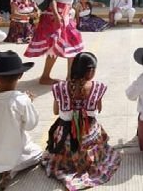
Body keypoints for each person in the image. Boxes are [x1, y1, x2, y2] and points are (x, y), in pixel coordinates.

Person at [42, 52, 121, 190]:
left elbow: (56, 112)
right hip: (87, 136)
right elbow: (99, 110)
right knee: (95, 129)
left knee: (61, 135)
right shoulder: (97, 87)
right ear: (91, 71)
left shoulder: (59, 88)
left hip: (64, 138)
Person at [0, 51, 42, 191]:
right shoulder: (21, 100)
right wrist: (29, 102)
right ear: (20, 75)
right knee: (37, 152)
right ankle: (6, 173)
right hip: (8, 157)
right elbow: (31, 124)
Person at [25, 0, 84, 85]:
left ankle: (67, 76)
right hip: (56, 17)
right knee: (62, 45)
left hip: (64, 16)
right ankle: (52, 77)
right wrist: (57, 16)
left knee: (64, 46)